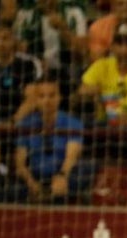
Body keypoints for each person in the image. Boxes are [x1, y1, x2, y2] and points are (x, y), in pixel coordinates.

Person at [13, 75, 92, 203]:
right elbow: (20, 163)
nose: (47, 101)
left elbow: (71, 157)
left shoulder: (73, 123)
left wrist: (62, 176)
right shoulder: (26, 124)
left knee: (78, 174)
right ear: (35, 100)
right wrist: (32, 183)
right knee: (16, 188)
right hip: (34, 175)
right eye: (42, 96)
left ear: (59, 97)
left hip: (63, 173)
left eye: (52, 95)